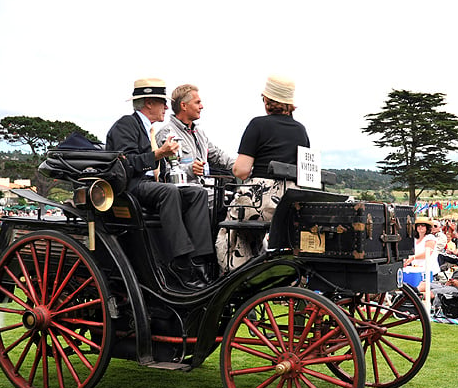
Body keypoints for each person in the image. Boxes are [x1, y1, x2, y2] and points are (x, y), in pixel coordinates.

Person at [106, 77, 214, 291]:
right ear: (148, 103)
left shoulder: (150, 130)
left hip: (152, 185)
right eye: (162, 103)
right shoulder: (126, 125)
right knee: (169, 192)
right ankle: (180, 262)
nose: (166, 107)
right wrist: (158, 154)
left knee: (197, 193)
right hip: (130, 187)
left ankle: (199, 260)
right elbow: (126, 165)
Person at [215, 75, 310, 273]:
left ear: (267, 101)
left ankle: (234, 277)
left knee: (229, 233)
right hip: (289, 203)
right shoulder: (301, 130)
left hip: (261, 200)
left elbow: (240, 170)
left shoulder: (258, 125)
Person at [155, 84, 235, 189]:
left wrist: (243, 167)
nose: (201, 106)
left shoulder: (199, 133)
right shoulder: (167, 134)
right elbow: (165, 173)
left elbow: (218, 156)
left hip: (206, 191)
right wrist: (190, 169)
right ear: (183, 106)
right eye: (197, 102)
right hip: (185, 195)